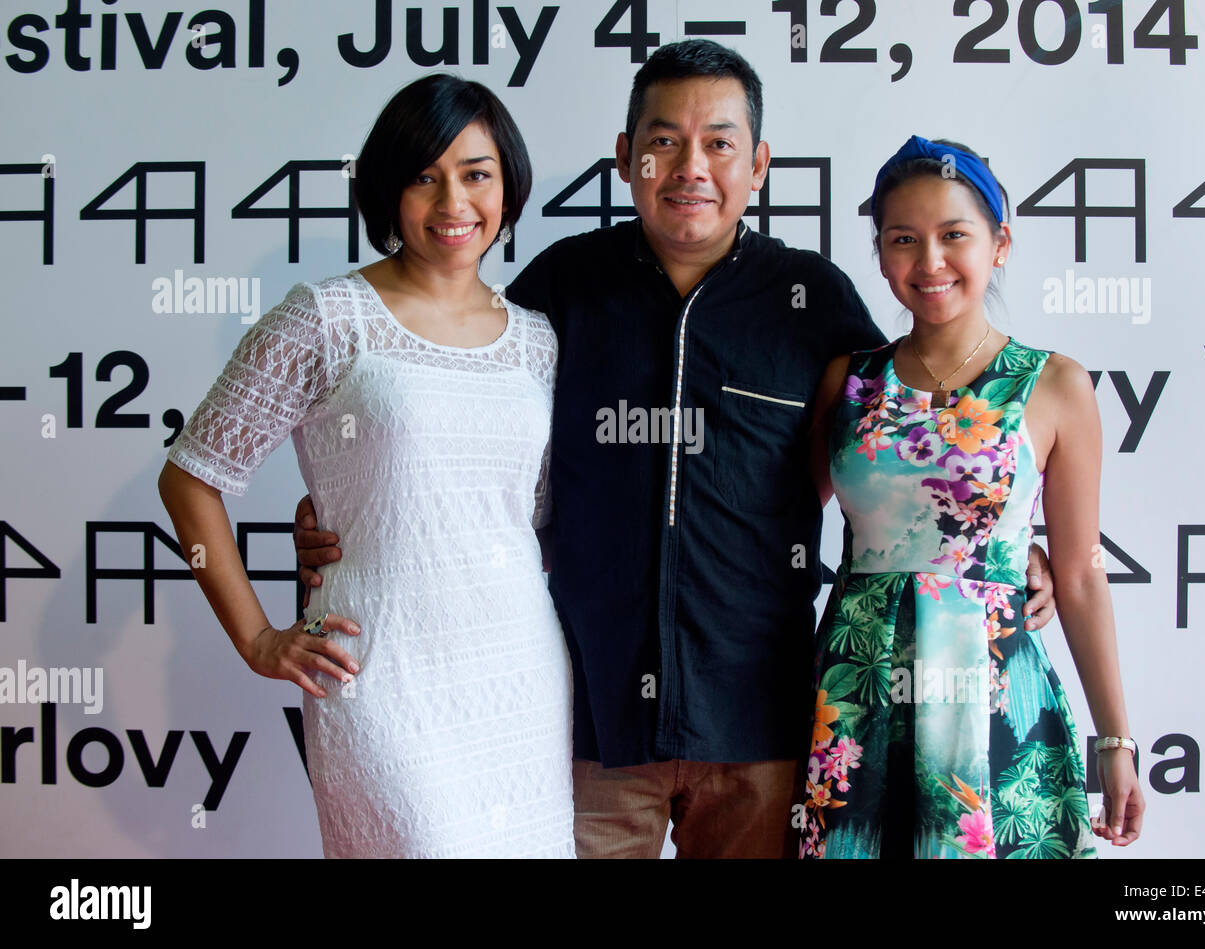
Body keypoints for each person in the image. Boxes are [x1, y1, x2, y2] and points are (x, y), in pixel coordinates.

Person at [295, 42, 1059, 859]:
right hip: (589, 718)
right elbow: (447, 421)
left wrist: (1005, 547)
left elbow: (908, 447)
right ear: (626, 158)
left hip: (759, 721)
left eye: (720, 143)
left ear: (758, 163)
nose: (690, 167)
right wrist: (347, 504)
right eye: (663, 142)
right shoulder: (560, 288)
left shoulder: (811, 301)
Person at [157, 74, 574, 858]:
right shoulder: (326, 317)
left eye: (476, 173)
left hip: (517, 675)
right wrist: (257, 640)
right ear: (388, 190)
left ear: (508, 186)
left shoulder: (538, 341)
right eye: (424, 176)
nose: (453, 201)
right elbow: (190, 478)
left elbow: (529, 521)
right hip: (380, 677)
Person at [797, 136, 1144, 858]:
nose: (929, 262)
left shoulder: (1054, 384)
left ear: (1000, 243)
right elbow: (778, 525)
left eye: (954, 235)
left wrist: (1115, 737)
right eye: (903, 240)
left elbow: (1078, 574)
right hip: (860, 694)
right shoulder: (847, 381)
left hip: (994, 694)